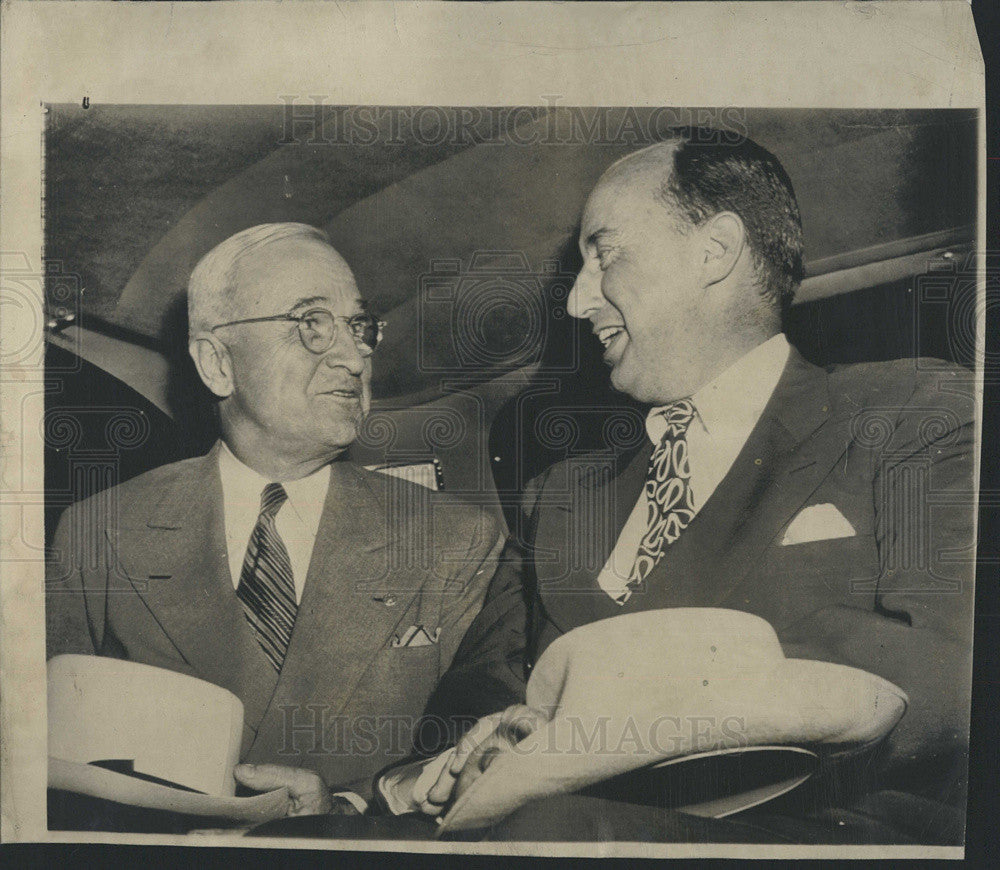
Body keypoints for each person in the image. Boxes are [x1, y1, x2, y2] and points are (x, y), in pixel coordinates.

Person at [399, 132, 976, 843]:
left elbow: (957, 682)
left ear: (716, 250)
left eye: (604, 254)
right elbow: (474, 704)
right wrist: (446, 762)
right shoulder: (558, 495)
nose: (579, 302)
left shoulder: (913, 414)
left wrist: (630, 700)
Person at [45, 223, 504, 816]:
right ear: (217, 364)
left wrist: (343, 809)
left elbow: (474, 761)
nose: (353, 354)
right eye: (310, 323)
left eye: (357, 326)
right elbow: (45, 762)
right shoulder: (97, 532)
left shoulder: (456, 541)